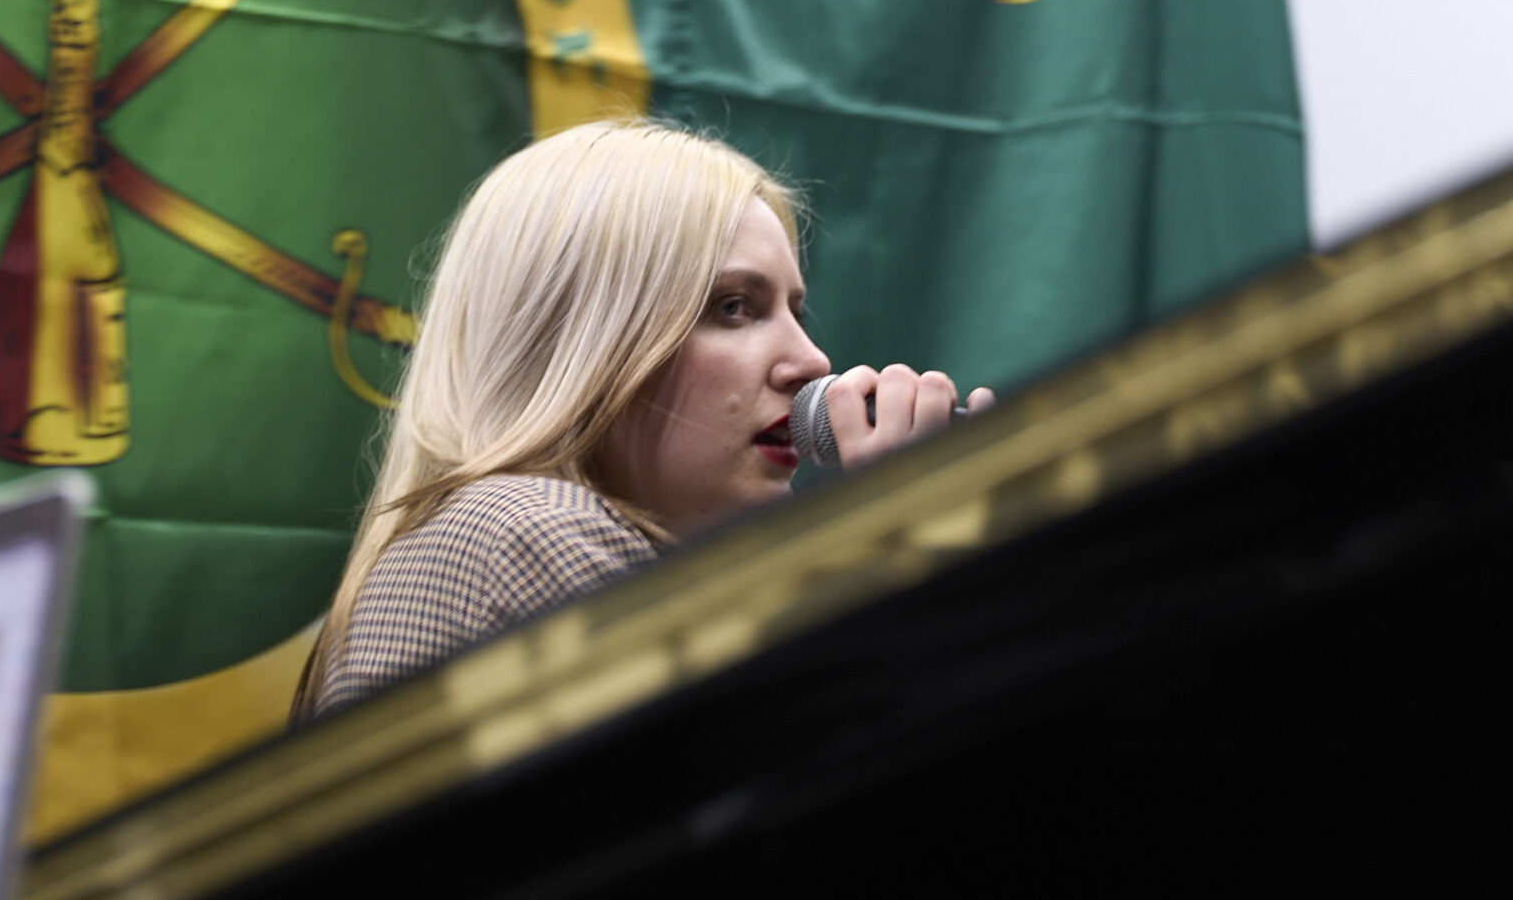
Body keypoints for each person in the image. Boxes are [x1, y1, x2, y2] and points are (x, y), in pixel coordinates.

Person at [296, 119, 993, 717]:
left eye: (795, 312)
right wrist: (906, 558)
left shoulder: (494, 535)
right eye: (733, 307)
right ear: (581, 343)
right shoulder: (531, 531)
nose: (811, 361)